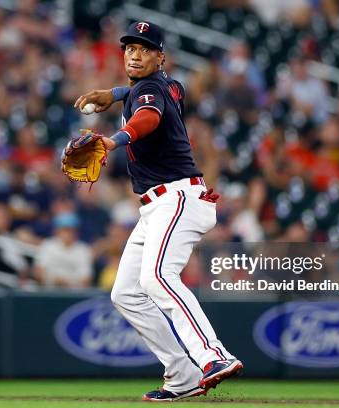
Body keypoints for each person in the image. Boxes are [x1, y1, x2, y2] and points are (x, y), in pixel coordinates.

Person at [73, 21, 242, 402]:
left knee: (156, 277)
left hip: (177, 199)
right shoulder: (168, 85)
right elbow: (148, 94)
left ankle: (213, 355)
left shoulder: (149, 91)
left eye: (145, 49)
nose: (134, 54)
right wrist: (114, 93)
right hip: (158, 206)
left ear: (160, 56)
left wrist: (113, 140)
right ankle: (180, 375)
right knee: (126, 292)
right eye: (129, 47)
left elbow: (146, 119)